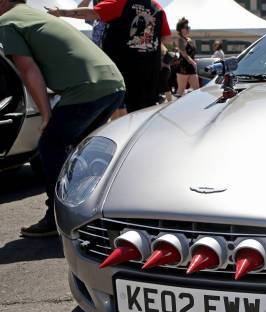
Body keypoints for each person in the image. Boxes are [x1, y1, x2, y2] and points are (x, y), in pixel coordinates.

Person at [0, 0, 125, 237]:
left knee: (50, 145)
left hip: (88, 89)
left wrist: (46, 116)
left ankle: (57, 217)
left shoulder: (7, 21)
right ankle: (93, 212)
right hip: (113, 83)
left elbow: (28, 70)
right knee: (80, 151)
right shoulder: (34, 16)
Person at [47, 0, 172, 114]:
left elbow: (90, 13)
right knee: (143, 114)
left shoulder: (123, 2)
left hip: (123, 71)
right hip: (149, 73)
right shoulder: (158, 8)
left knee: (120, 114)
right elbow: (166, 39)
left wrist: (60, 12)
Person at [175, 17, 199, 97]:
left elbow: (192, 54)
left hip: (191, 67)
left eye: (188, 27)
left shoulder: (189, 39)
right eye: (186, 27)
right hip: (183, 68)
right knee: (180, 92)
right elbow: (185, 55)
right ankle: (175, 108)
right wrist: (194, 63)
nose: (188, 29)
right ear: (181, 29)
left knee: (197, 90)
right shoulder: (180, 40)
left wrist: (195, 61)